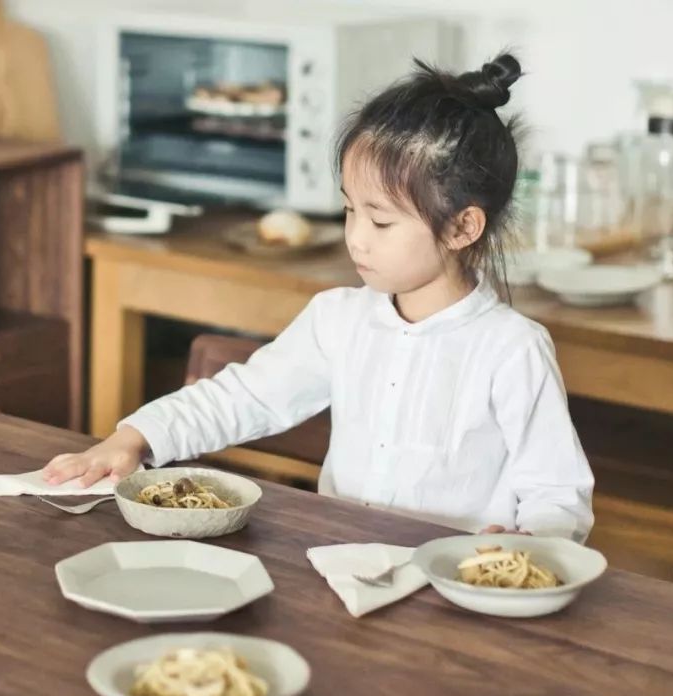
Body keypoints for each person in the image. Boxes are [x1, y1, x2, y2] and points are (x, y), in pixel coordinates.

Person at [43, 53, 594, 542]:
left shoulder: (510, 348)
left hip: (453, 592)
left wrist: (532, 542)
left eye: (380, 220)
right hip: (339, 570)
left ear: (461, 228)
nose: (356, 236)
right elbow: (244, 399)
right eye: (350, 209)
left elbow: (557, 493)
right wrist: (135, 436)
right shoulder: (338, 319)